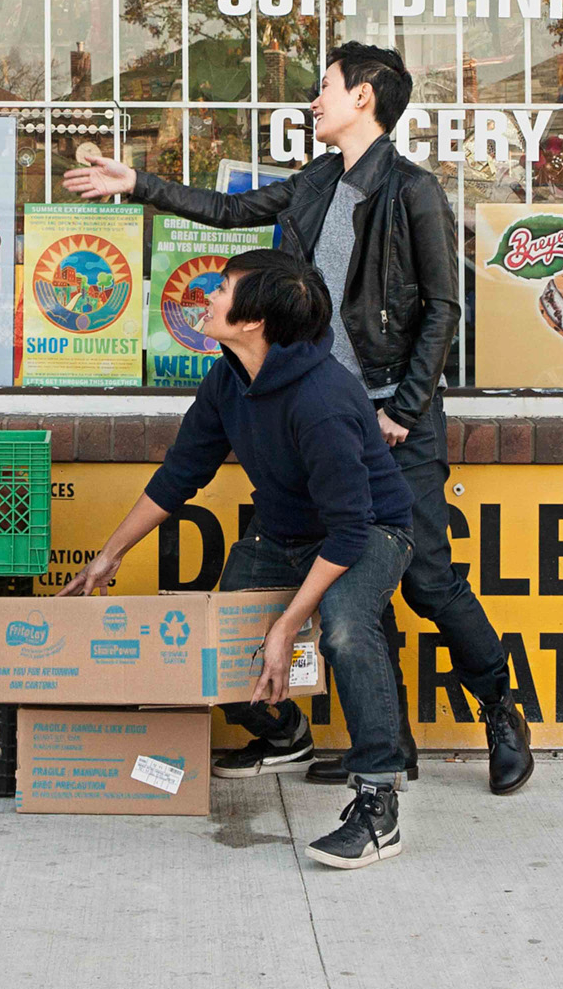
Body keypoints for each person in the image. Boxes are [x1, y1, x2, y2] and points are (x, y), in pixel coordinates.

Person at [66, 40, 535, 796]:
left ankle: (502, 710)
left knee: (425, 578)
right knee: (358, 579)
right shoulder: (318, 181)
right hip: (327, 410)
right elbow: (228, 211)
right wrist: (137, 183)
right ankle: (394, 744)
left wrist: (405, 411)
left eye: (325, 87)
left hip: (394, 418)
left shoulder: (412, 190)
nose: (313, 100)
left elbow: (446, 308)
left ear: (364, 99)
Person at [63, 250, 416, 870]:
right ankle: (285, 736)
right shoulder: (229, 377)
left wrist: (286, 626)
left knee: (346, 629)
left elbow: (349, 529)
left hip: (368, 533)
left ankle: (378, 798)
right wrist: (108, 555)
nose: (206, 294)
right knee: (216, 642)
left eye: (221, 288)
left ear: (254, 320)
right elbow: (181, 475)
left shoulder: (322, 399)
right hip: (280, 532)